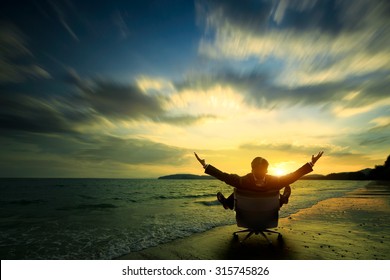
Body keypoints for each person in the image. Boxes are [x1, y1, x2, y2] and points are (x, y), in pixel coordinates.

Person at [194, 151, 324, 210]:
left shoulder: (241, 181)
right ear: (267, 171)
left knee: (238, 189)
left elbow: (223, 176)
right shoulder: (275, 182)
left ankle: (228, 203)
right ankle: (283, 198)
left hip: (246, 215)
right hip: (269, 213)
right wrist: (311, 163)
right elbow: (294, 175)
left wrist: (205, 165)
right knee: (283, 185)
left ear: (251, 169)